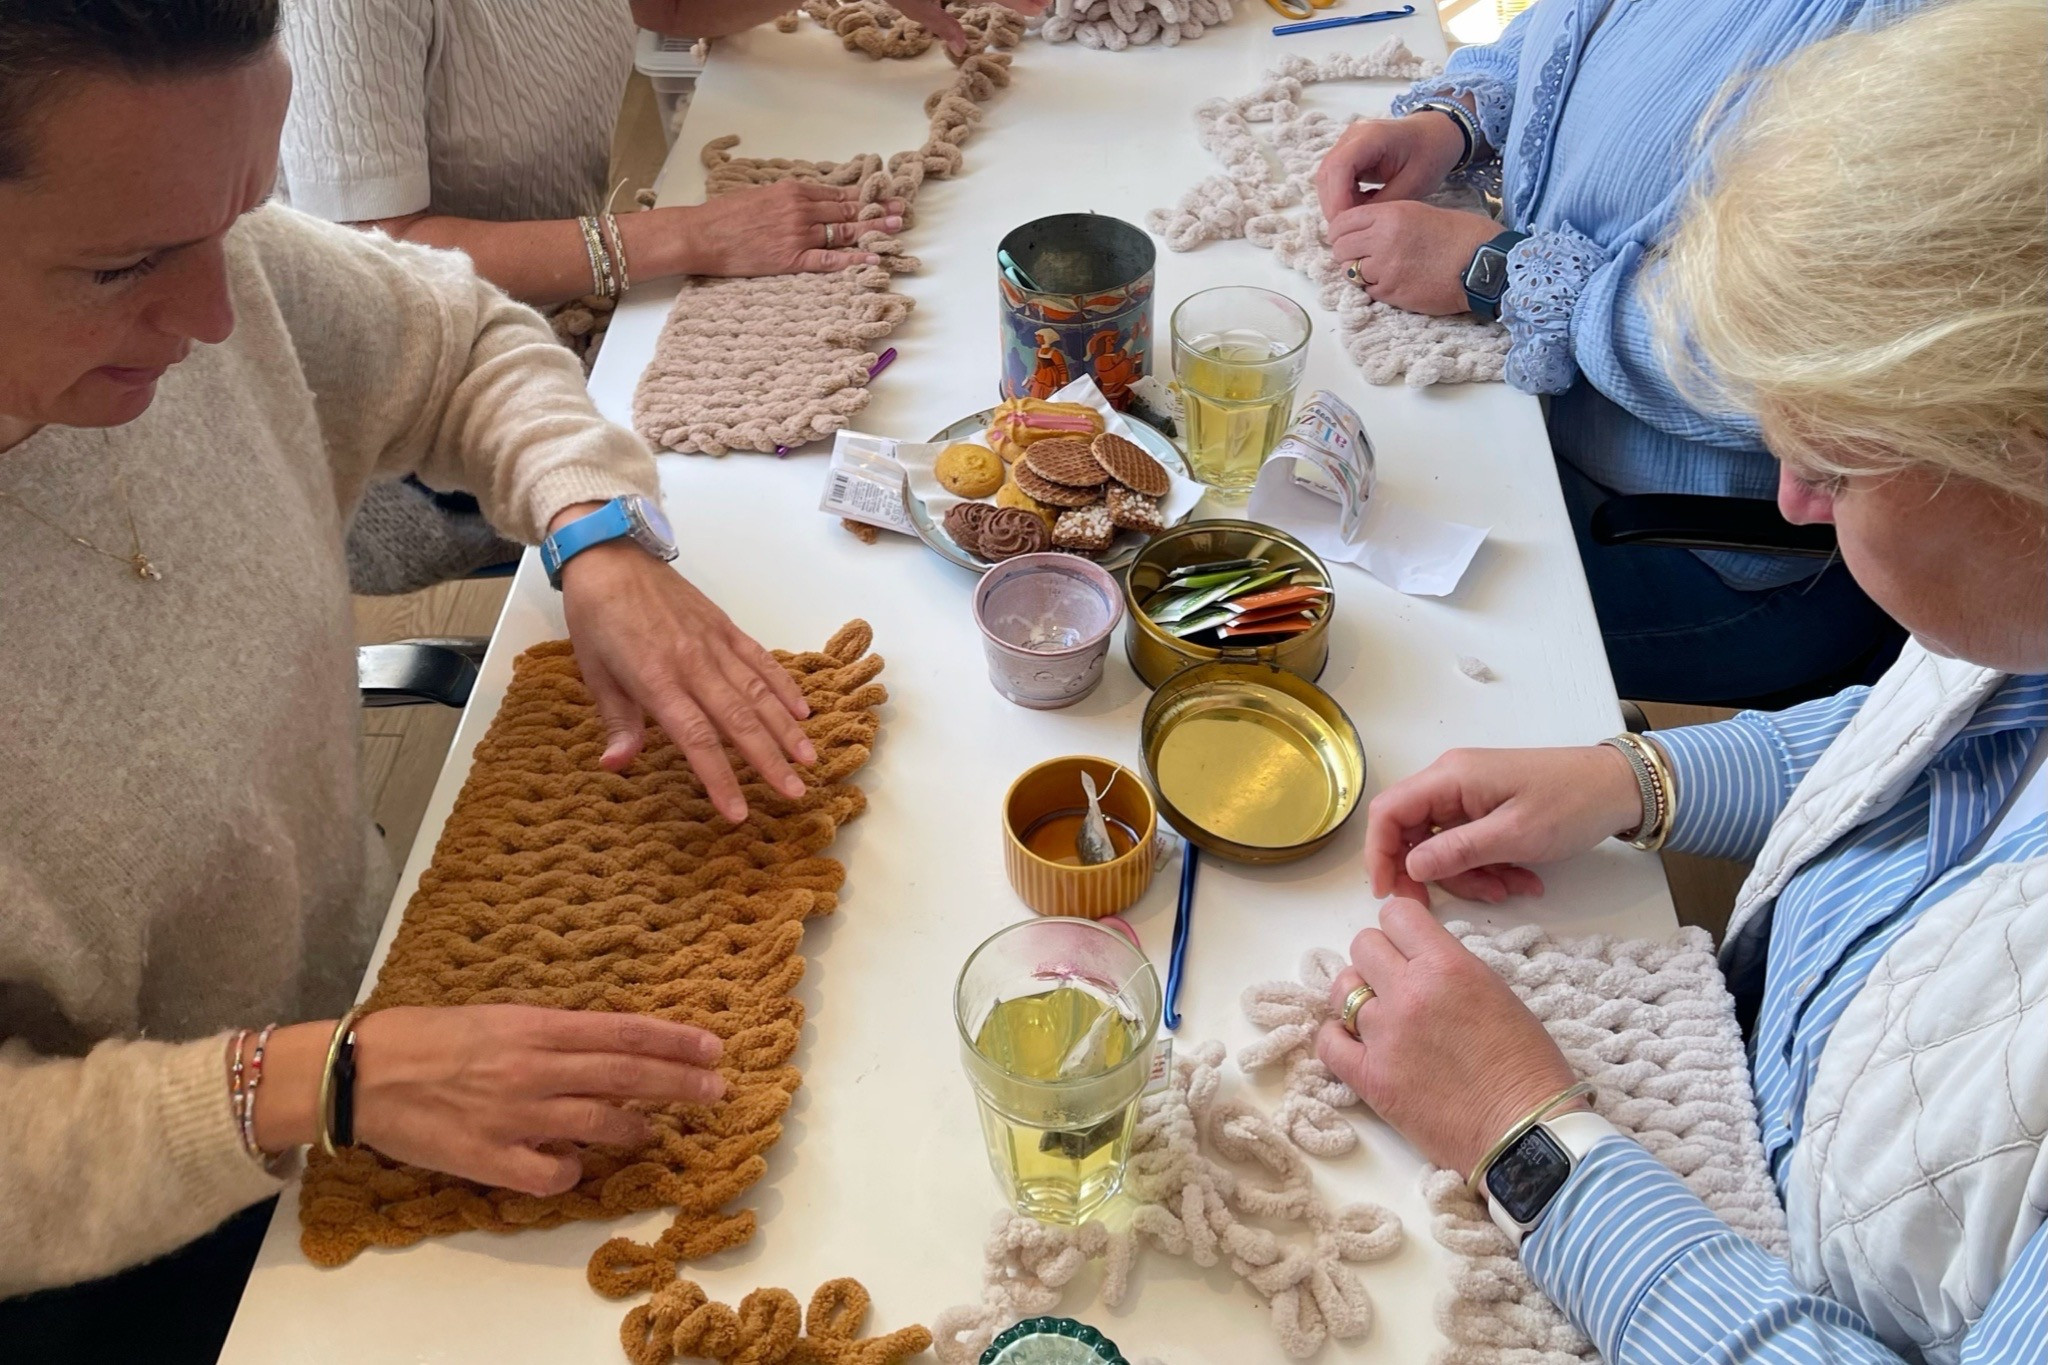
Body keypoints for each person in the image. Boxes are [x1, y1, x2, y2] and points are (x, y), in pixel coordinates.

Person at [0, 0, 822, 1350]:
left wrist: (593, 531)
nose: (215, 315)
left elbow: (463, 338)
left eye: (238, 219)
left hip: (373, 1003)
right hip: (125, 1255)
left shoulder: (211, 261)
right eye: (119, 267)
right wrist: (303, 1085)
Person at [1314, 2, 2044, 1359]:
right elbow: (1941, 742)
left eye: (1840, 458)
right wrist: (1635, 779)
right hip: (1780, 1098)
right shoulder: (2010, 633)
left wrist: (1529, 1142)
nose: (1791, 497)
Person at [1314, 0, 1924, 707]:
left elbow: (1799, 364)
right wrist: (1454, 121)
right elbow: (1570, 30)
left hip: (1684, 548)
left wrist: (1496, 271)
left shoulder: (1912, 38)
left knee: (1326, 608)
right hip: (1538, 416)